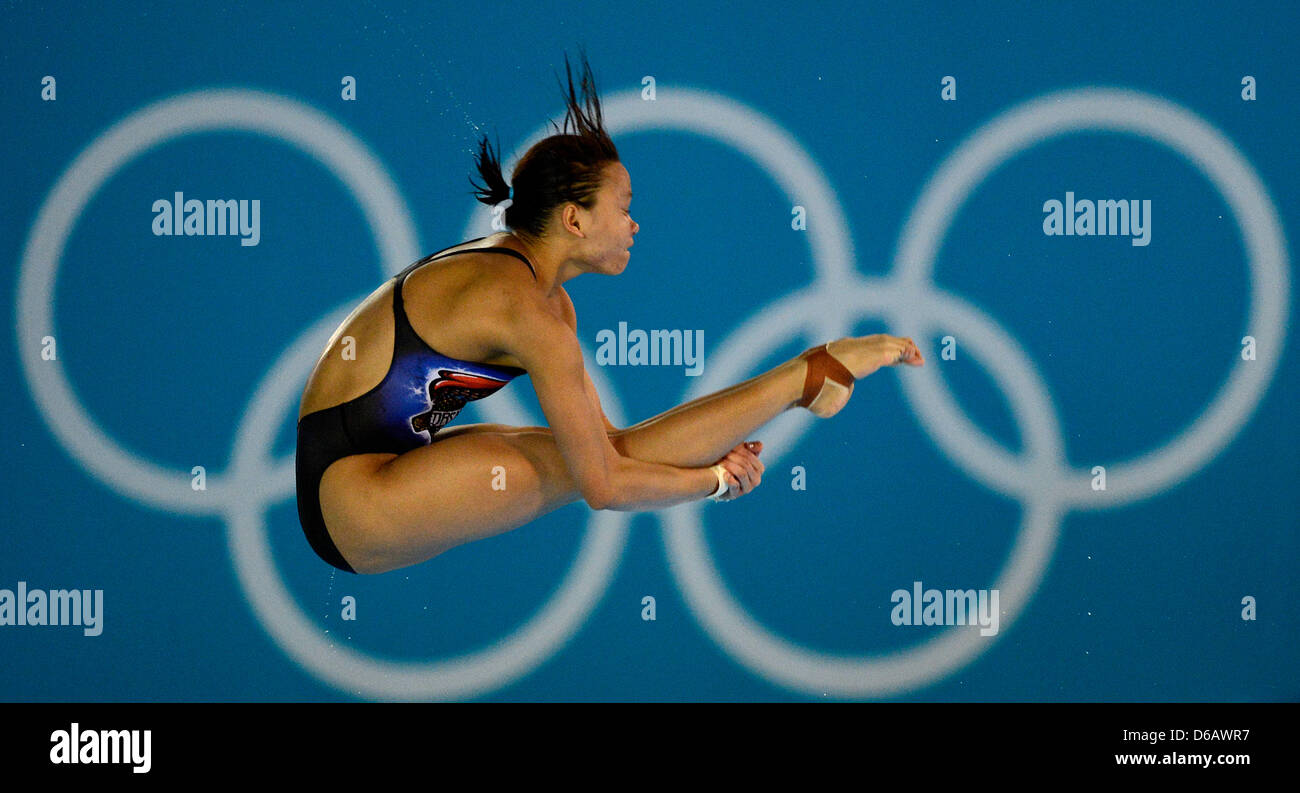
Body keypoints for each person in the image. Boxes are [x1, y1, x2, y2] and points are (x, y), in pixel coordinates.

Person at [294, 51, 923, 575]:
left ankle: (808, 378)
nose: (634, 223)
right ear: (573, 218)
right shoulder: (520, 308)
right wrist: (715, 481)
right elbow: (605, 488)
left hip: (383, 467)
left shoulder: (548, 302)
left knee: (604, 448)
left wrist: (706, 467)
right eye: (622, 207)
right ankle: (806, 377)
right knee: (591, 465)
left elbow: (612, 452)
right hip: (351, 500)